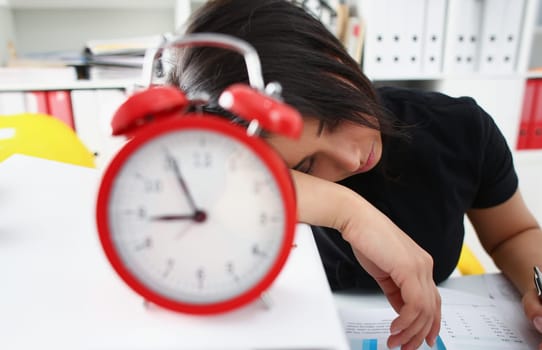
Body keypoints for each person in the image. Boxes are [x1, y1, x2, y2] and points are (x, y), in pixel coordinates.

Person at [166, 0, 542, 349]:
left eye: (334, 118)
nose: (349, 159)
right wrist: (347, 211)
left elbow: (513, 234)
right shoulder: (233, 189)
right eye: (306, 168)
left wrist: (537, 280)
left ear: (336, 57)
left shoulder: (460, 127)